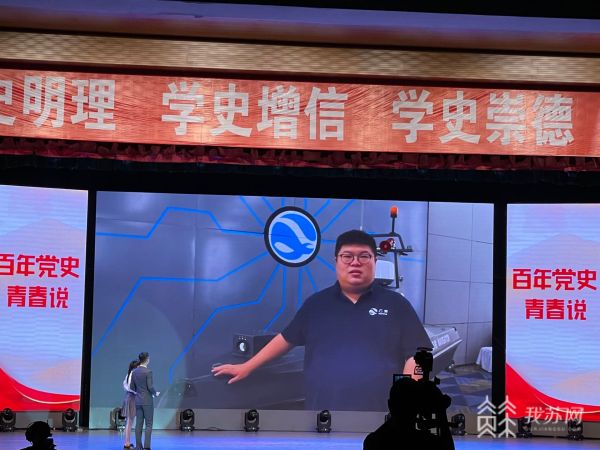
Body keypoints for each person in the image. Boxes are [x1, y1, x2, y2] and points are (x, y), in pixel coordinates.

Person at [212, 229, 432, 411]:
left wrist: (410, 393)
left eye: (364, 256)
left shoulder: (397, 305)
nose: (355, 262)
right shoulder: (316, 305)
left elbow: (419, 354)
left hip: (381, 414)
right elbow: (286, 339)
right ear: (336, 261)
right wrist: (247, 366)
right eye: (347, 256)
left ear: (375, 261)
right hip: (323, 413)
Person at [363, 376, 455, 450]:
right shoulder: (428, 442)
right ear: (418, 406)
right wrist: (441, 411)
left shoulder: (373, 442)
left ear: (390, 405)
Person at [130, 352, 159, 450]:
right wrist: (155, 393)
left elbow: (132, 387)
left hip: (138, 401)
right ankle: (147, 447)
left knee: (138, 424)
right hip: (147, 401)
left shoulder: (134, 372)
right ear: (147, 360)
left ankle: (138, 446)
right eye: (149, 358)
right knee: (149, 424)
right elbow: (150, 387)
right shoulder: (148, 372)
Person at [122, 359, 141, 449]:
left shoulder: (129, 374)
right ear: (135, 367)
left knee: (129, 422)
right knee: (129, 422)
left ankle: (127, 442)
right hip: (131, 398)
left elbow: (124, 386)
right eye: (138, 366)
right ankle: (127, 443)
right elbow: (132, 388)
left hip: (129, 397)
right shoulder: (132, 375)